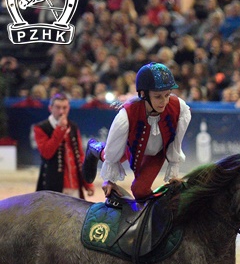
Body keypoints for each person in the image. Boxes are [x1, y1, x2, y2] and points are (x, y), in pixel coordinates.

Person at [82, 62, 191, 199]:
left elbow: (175, 142)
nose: (164, 101)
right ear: (144, 94)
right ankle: (95, 148)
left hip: (157, 153)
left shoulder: (181, 109)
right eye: (158, 96)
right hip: (130, 145)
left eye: (167, 95)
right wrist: (109, 180)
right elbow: (113, 152)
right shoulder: (126, 114)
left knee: (139, 191)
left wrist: (174, 173)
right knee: (108, 154)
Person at [33, 93, 95, 198]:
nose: (61, 111)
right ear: (50, 108)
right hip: (52, 186)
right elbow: (47, 153)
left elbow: (80, 157)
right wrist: (60, 129)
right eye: (57, 107)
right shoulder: (41, 128)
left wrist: (87, 182)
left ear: (69, 108)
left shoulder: (73, 127)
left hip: (74, 185)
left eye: (64, 108)